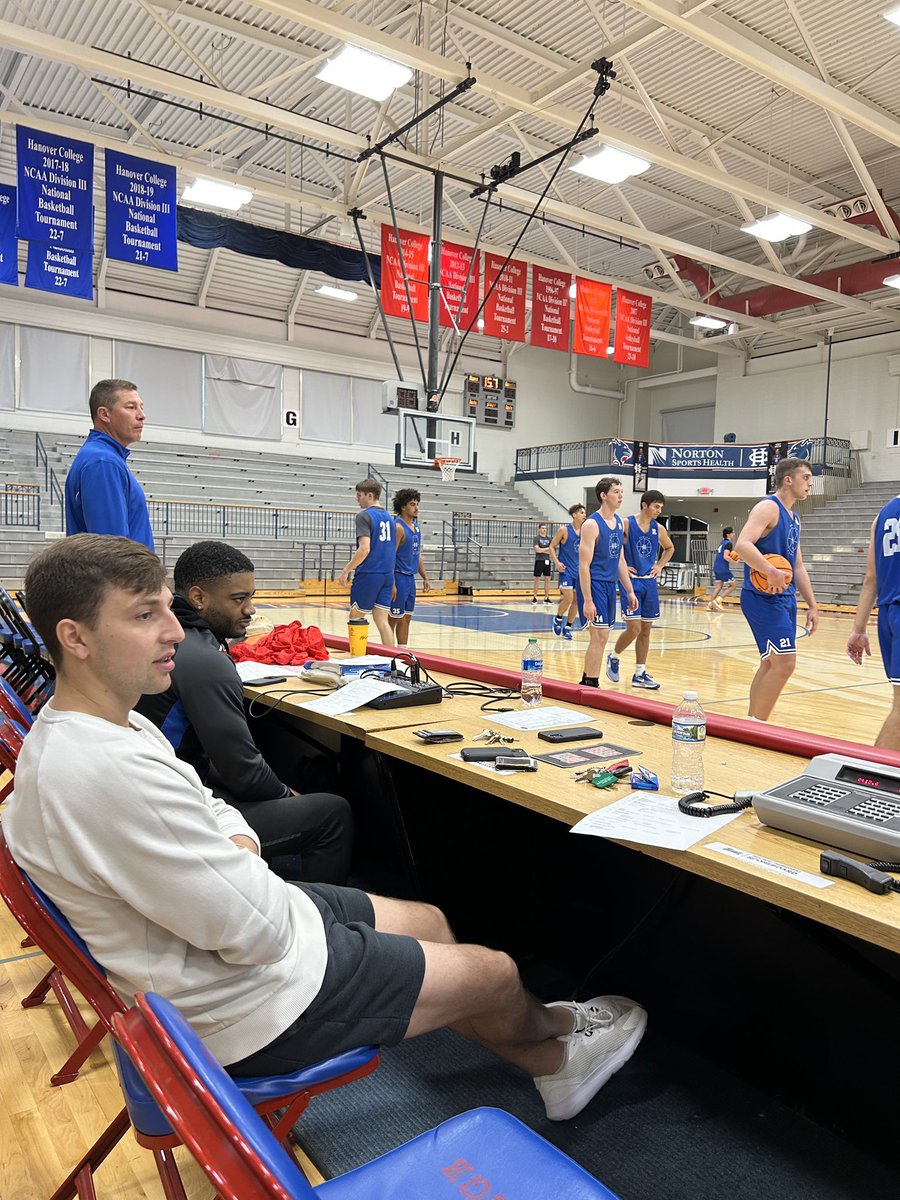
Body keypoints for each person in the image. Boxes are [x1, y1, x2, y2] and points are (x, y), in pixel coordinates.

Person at [6, 534, 647, 1123]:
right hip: (241, 1006)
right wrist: (251, 869)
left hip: (228, 942)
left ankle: (545, 1038)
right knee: (496, 972)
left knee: (427, 921)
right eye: (146, 615)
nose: (175, 629)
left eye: (168, 609)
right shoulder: (106, 772)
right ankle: (556, 1052)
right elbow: (257, 931)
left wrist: (238, 850)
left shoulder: (109, 724)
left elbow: (214, 808)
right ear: (76, 638)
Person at [135, 540, 352, 884]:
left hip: (152, 792)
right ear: (199, 597)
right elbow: (245, 773)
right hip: (168, 818)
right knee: (332, 812)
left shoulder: (169, 639)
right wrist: (287, 794)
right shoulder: (205, 660)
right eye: (238, 599)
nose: (251, 609)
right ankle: (311, 912)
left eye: (251, 597)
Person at [735, 458, 819, 721]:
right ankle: (758, 726)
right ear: (788, 480)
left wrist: (812, 604)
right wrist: (769, 570)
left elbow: (798, 566)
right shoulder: (768, 507)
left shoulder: (794, 518)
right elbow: (743, 545)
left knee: (770, 663)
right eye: (806, 477)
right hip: (762, 596)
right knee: (785, 663)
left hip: (785, 597)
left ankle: (751, 722)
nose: (811, 483)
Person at [64, 378, 154, 549]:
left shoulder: (104, 458)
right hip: (121, 567)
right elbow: (112, 551)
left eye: (141, 407)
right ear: (104, 414)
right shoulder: (103, 462)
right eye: (131, 407)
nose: (142, 415)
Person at [846, 496, 900, 749]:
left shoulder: (883, 514)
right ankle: (873, 771)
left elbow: (871, 578)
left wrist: (858, 629)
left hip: (889, 615)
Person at [606, 490, 674, 690]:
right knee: (634, 629)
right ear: (644, 505)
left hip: (649, 583)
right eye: (656, 506)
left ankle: (639, 674)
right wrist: (621, 564)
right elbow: (613, 545)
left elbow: (669, 548)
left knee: (645, 631)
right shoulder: (626, 523)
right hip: (631, 582)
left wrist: (660, 565)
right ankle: (614, 656)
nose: (659, 510)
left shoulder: (658, 528)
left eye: (661, 507)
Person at [576, 478, 638, 688]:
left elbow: (620, 560)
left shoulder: (619, 522)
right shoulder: (591, 524)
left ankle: (587, 681)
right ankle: (591, 683)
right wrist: (587, 600)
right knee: (599, 634)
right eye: (616, 491)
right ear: (603, 495)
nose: (621, 495)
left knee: (603, 636)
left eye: (622, 492)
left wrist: (629, 591)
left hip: (610, 585)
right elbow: (584, 566)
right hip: (594, 584)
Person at [339, 479, 397, 648]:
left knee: (356, 616)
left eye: (359, 495)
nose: (357, 498)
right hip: (387, 575)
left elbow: (364, 549)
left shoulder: (364, 516)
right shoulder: (390, 518)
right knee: (382, 621)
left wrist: (346, 570)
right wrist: (392, 579)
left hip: (369, 574)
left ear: (369, 495)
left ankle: (357, 656)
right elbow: (391, 550)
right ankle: (393, 658)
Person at [389, 488, 431, 649]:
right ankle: (387, 650)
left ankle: (402, 650)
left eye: (417, 504)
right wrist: (392, 583)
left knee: (406, 617)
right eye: (412, 504)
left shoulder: (416, 527)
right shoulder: (398, 527)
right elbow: (390, 556)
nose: (416, 508)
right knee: (393, 617)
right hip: (398, 576)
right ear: (403, 507)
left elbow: (417, 554)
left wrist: (425, 576)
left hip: (410, 578)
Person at [549, 504, 586, 640]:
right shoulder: (564, 530)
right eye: (581, 512)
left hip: (580, 571)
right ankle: (558, 618)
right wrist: (557, 562)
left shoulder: (585, 532)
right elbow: (551, 547)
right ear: (574, 515)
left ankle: (568, 627)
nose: (584, 515)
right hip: (566, 570)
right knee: (569, 598)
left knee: (576, 601)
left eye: (584, 513)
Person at [708, 526, 738, 611]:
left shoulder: (722, 542)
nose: (734, 534)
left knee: (719, 586)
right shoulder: (728, 543)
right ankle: (718, 601)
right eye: (732, 532)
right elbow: (725, 556)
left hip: (716, 567)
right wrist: (734, 561)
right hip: (723, 568)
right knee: (733, 585)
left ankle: (710, 605)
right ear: (728, 534)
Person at [532, 524, 553, 604]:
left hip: (547, 560)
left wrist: (542, 550)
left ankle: (546, 597)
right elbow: (537, 550)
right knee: (537, 579)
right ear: (539, 529)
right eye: (543, 528)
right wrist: (547, 549)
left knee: (547, 579)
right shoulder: (536, 538)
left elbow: (551, 551)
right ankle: (535, 597)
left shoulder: (549, 539)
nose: (544, 530)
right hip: (539, 560)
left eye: (545, 528)